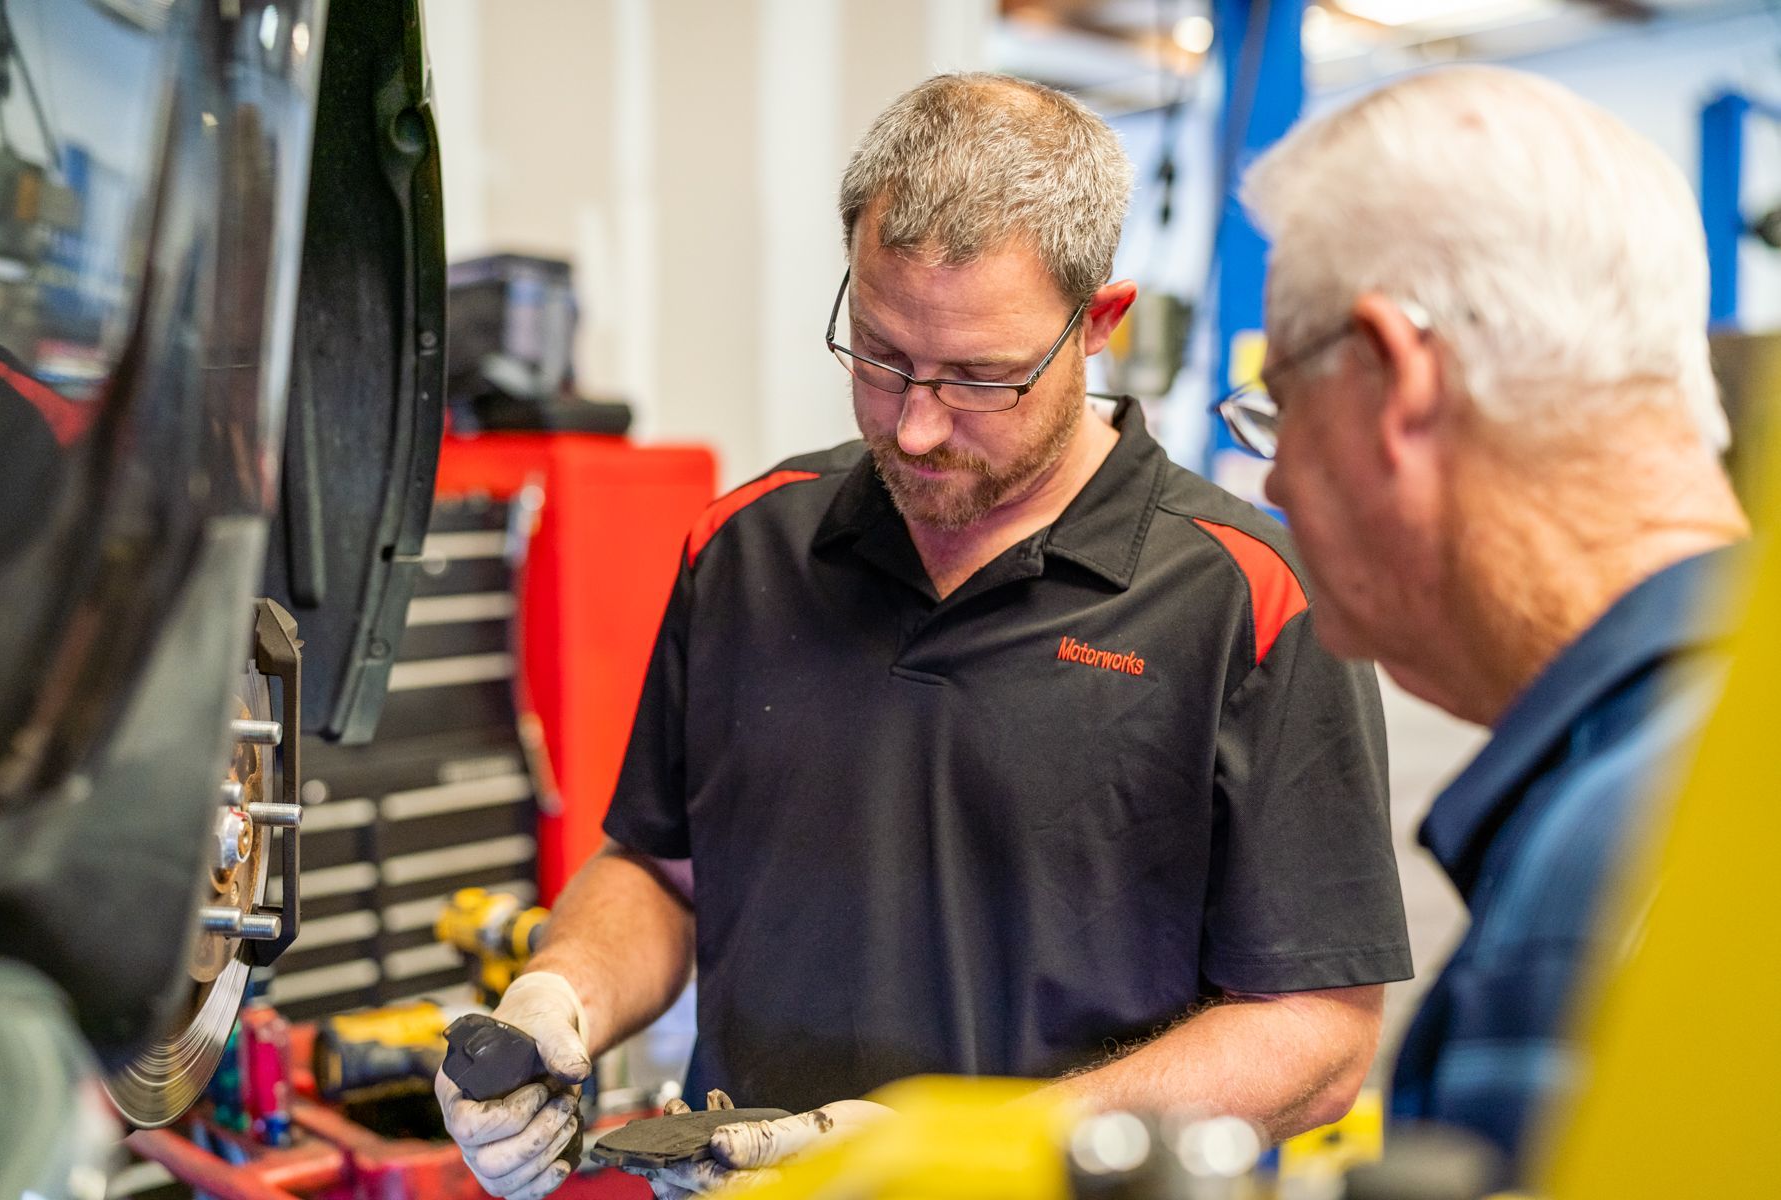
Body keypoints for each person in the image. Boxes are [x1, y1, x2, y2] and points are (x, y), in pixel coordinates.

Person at [440, 72, 1412, 1200]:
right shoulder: (747, 546)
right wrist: (560, 995)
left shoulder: (1248, 595)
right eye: (880, 354)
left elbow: (1314, 1031)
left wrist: (965, 1156)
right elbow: (662, 873)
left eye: (978, 378)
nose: (912, 426)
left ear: (1098, 324)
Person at [1230, 66, 1750, 1172]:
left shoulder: (1615, 875)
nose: (1271, 480)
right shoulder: (1716, 751)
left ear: (1394, 382)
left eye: (1281, 407)